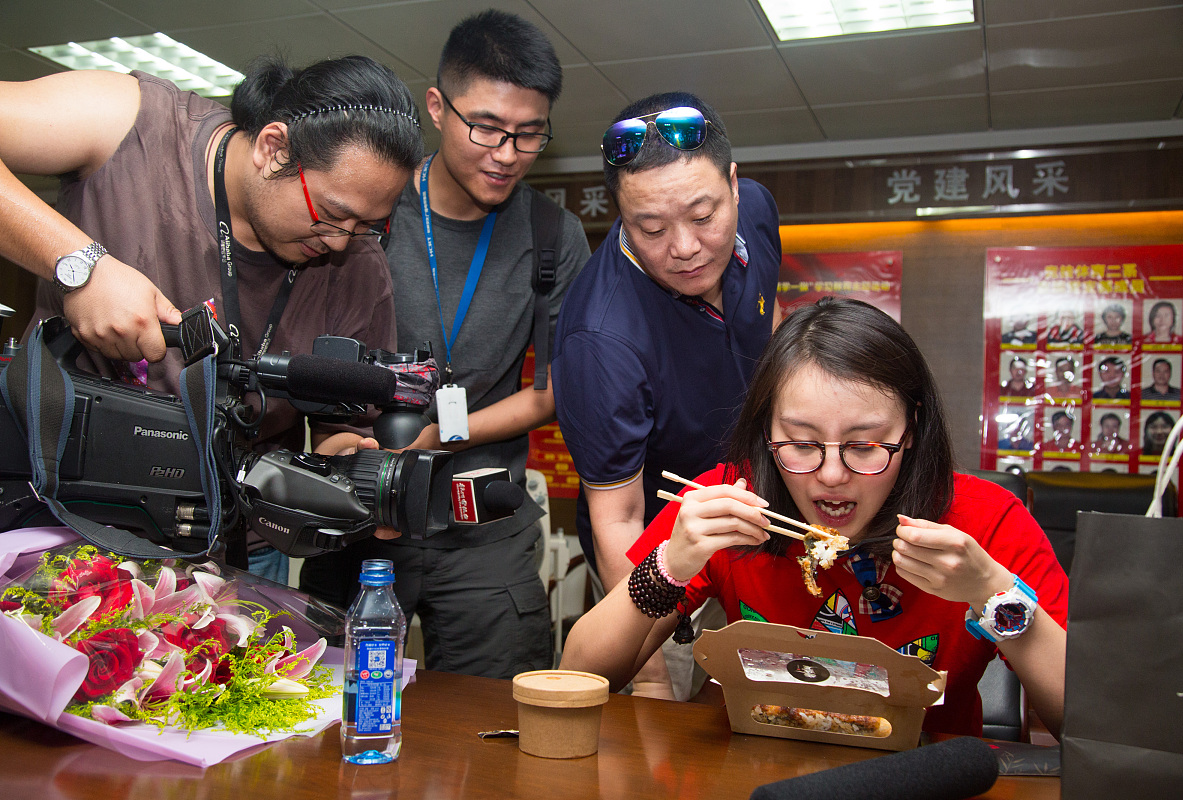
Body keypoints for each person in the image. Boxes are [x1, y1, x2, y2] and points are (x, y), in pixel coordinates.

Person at [560, 297, 1068, 739]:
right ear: (766, 429)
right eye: (802, 443)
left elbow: (1082, 720)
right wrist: (671, 562)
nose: (830, 475)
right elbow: (577, 673)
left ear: (911, 429)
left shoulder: (984, 519)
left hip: (925, 774)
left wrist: (994, 592)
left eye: (865, 446)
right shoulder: (729, 498)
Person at [0, 55, 424, 579]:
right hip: (61, 520)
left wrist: (348, 470)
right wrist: (81, 266)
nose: (339, 240)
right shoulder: (130, 123)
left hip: (236, 546)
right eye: (331, 215)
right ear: (273, 148)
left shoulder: (358, 267)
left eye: (366, 225)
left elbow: (338, 430)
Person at [298, 10, 588, 679]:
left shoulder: (552, 235)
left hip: (482, 522)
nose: (506, 153)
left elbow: (552, 393)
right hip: (360, 510)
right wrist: (337, 438)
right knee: (330, 709)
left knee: (495, 725)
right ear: (437, 106)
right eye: (486, 127)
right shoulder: (368, 209)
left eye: (529, 134)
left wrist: (439, 436)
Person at [553, 91, 782, 697]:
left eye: (704, 217)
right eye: (649, 228)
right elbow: (618, 521)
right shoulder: (599, 338)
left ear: (734, 185)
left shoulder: (756, 210)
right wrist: (647, 674)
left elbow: (770, 317)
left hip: (762, 518)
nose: (683, 247)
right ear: (621, 217)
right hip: (667, 558)